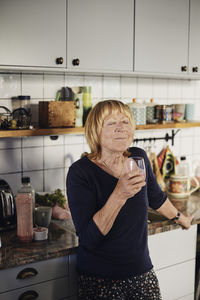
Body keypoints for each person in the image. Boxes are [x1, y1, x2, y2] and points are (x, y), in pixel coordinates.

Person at [67, 100, 193, 300]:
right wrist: (119, 194)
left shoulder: (138, 158)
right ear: (95, 132)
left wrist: (180, 218)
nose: (121, 128)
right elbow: (89, 238)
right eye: (111, 123)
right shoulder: (80, 172)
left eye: (125, 121)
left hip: (142, 272)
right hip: (100, 280)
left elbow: (156, 197)